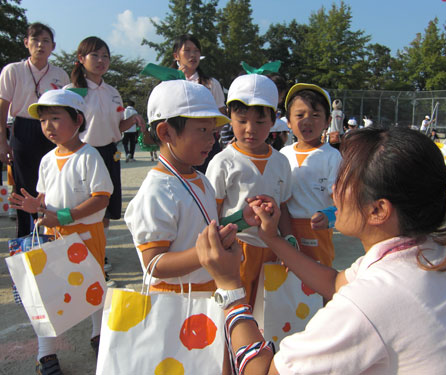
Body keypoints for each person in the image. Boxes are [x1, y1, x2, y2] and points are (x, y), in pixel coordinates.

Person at [196, 126, 446, 374]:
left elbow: (263, 373)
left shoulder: (368, 304)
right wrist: (274, 239)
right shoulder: (429, 252)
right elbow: (334, 283)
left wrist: (229, 288)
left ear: (379, 210)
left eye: (343, 181)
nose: (333, 191)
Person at [124, 79, 262, 374]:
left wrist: (239, 219)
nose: (212, 139)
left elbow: (203, 228)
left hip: (208, 295)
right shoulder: (156, 191)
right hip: (175, 302)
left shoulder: (199, 179)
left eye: (213, 130)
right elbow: (154, 263)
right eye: (201, 130)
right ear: (165, 132)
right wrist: (204, 255)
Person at [9, 89, 113, 375]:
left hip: (87, 235)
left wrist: (64, 216)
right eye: (43, 121)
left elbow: (102, 197)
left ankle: (98, 334)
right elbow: (45, 199)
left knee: (94, 286)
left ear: (77, 119)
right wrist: (35, 206)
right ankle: (46, 355)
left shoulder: (89, 155)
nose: (48, 126)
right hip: (54, 237)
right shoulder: (46, 160)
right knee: (48, 293)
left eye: (55, 118)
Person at [205, 74, 293, 307]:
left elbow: (283, 206)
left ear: (274, 120)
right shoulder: (223, 162)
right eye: (241, 120)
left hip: (273, 249)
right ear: (229, 118)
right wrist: (241, 221)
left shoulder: (281, 162)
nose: (250, 129)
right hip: (237, 250)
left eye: (260, 122)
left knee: (268, 313)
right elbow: (212, 216)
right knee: (236, 309)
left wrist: (290, 241)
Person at [66, 36, 145, 286]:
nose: (101, 61)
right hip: (82, 154)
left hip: (109, 153)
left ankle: (99, 253)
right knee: (84, 208)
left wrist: (133, 120)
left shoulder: (112, 92)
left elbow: (117, 128)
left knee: (106, 209)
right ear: (81, 59)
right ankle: (85, 260)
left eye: (105, 56)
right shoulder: (72, 93)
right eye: (95, 55)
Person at [0, 22, 70, 237]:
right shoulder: (13, 70)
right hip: (23, 130)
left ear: (53, 46)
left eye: (46, 41)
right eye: (36, 40)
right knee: (24, 187)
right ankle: (25, 238)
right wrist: (2, 142)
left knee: (54, 185)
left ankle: (53, 235)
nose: (40, 45)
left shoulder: (60, 75)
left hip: (53, 131)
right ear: (26, 43)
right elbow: (2, 109)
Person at [280, 83, 342, 272]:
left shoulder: (333, 157)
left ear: (327, 121)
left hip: (316, 229)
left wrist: (329, 217)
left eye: (315, 115)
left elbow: (341, 201)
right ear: (288, 121)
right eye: (300, 115)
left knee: (319, 276)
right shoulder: (283, 154)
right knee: (286, 279)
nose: (307, 121)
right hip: (284, 228)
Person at [171, 34, 225, 172]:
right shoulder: (168, 84)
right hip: (177, 146)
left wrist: (206, 131)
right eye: (187, 50)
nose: (193, 55)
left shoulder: (211, 84)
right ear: (176, 55)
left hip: (206, 146)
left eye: (196, 51)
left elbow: (222, 115)